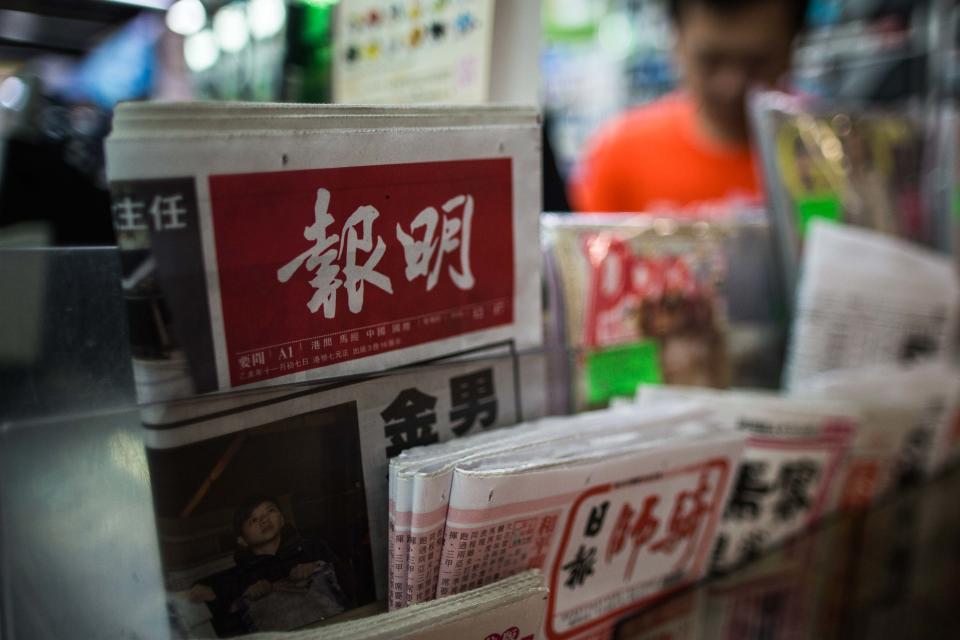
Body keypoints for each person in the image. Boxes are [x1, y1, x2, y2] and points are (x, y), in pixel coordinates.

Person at [570, 0, 810, 214]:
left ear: (793, 45)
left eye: (757, 63)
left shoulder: (826, 156)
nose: (731, 86)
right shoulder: (620, 153)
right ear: (676, 39)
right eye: (710, 60)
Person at [188, 496, 352, 636]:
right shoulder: (239, 576)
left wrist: (317, 568)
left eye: (270, 511)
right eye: (253, 519)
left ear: (282, 519)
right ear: (242, 540)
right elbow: (222, 620)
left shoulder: (313, 547)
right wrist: (248, 594)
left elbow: (351, 585)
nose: (264, 519)